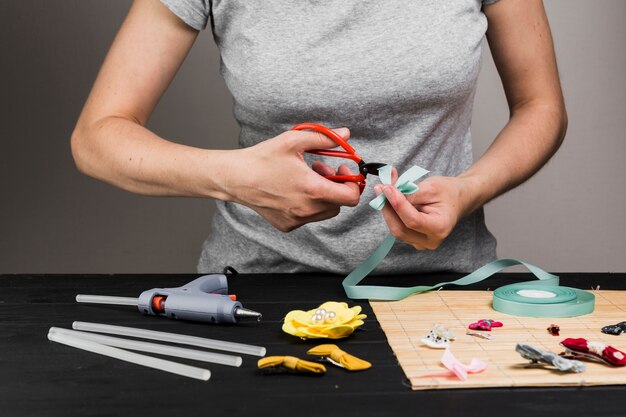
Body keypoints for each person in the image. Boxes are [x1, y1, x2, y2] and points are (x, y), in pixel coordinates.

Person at [70, 0, 567, 275]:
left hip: (441, 288)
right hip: (258, 287)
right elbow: (97, 138)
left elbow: (541, 107)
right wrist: (235, 178)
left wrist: (470, 189)